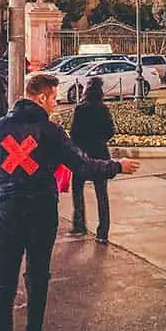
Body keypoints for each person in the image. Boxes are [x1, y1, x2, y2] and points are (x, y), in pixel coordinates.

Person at [0, 73, 140, 331]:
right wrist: (117, 166)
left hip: (8, 215)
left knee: (2, 291)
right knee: (37, 276)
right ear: (44, 97)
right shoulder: (50, 131)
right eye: (53, 97)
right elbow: (83, 165)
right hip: (42, 214)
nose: (55, 102)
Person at [69, 76, 115, 244]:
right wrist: (100, 139)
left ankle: (79, 223)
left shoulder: (80, 109)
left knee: (77, 189)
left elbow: (74, 133)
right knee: (102, 195)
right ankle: (103, 232)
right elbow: (111, 131)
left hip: (83, 155)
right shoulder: (103, 109)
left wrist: (81, 145)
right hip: (101, 154)